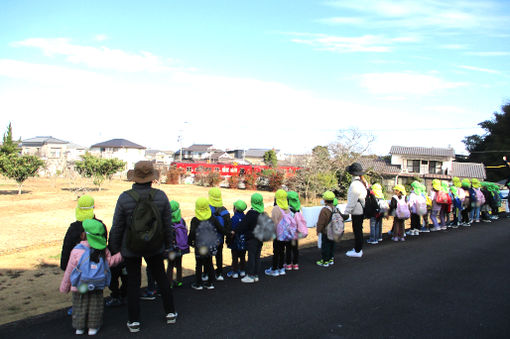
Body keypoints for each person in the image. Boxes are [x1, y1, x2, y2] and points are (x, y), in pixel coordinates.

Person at [109, 161, 177, 333]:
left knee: (133, 283)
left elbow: (117, 226)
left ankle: (134, 322)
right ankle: (170, 312)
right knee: (161, 278)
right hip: (155, 246)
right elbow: (168, 225)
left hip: (131, 247)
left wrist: (114, 248)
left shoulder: (124, 197)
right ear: (152, 178)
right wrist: (168, 246)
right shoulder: (161, 196)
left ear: (135, 177)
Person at [60, 219, 122, 336]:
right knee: (95, 306)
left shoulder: (77, 250)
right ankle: (93, 327)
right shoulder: (103, 250)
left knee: (79, 305)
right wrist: (121, 255)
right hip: (97, 284)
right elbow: (110, 262)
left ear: (83, 234)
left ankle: (79, 328)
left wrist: (65, 287)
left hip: (80, 285)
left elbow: (70, 270)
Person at [60, 195, 109, 313]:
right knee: (95, 294)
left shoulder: (73, 228)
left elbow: (67, 248)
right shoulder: (100, 226)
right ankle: (94, 317)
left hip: (79, 271)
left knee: (79, 292)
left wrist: (65, 265)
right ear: (93, 207)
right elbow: (104, 245)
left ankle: (78, 310)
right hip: (97, 269)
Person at [188, 197, 221, 290]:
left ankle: (198, 284)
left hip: (199, 246)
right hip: (210, 245)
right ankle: (210, 283)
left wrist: (189, 242)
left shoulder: (195, 220)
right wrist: (229, 233)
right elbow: (220, 228)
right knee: (209, 263)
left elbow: (192, 233)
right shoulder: (212, 218)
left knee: (199, 264)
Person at [237, 193, 265, 283]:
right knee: (257, 256)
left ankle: (250, 275)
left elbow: (243, 226)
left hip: (252, 238)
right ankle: (255, 274)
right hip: (260, 237)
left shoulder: (251, 213)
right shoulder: (262, 213)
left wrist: (235, 230)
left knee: (251, 256)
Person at [265, 189, 294, 276]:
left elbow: (274, 223)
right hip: (286, 235)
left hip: (278, 235)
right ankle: (281, 268)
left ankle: (274, 269)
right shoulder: (288, 208)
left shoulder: (276, 209)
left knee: (276, 252)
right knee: (282, 252)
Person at [344, 162, 367, 257]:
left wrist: (346, 212)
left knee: (357, 231)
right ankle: (358, 249)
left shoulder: (355, 184)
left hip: (357, 211)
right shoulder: (361, 183)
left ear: (352, 173)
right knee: (359, 230)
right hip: (361, 209)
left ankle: (358, 250)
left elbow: (352, 201)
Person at [208, 188, 231, 281]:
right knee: (219, 255)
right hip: (220, 238)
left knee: (208, 257)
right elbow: (228, 224)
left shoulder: (207, 209)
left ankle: (207, 274)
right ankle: (219, 273)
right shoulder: (224, 210)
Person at [167, 200, 189, 288]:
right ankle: (179, 280)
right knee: (179, 264)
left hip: (171, 248)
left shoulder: (168, 221)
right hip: (181, 247)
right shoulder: (182, 220)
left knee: (170, 265)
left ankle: (169, 283)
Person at [227, 200, 248, 279]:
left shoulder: (233, 219)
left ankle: (235, 271)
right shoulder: (245, 217)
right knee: (242, 257)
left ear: (235, 208)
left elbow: (231, 230)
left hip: (235, 242)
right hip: (243, 241)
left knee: (235, 257)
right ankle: (242, 270)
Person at [285, 191, 306, 270]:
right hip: (296, 233)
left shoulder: (287, 209)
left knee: (288, 249)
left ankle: (288, 264)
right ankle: (295, 264)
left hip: (289, 233)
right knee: (295, 248)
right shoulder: (298, 210)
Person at [316, 191, 337, 267]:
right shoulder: (335, 208)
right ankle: (331, 258)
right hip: (334, 231)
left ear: (324, 200)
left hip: (326, 232)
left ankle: (325, 261)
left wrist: (318, 230)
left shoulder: (324, 210)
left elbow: (321, 222)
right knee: (332, 245)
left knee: (325, 246)